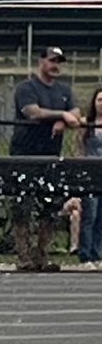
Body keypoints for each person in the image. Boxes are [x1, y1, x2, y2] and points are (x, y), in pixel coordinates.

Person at [10, 46, 81, 272]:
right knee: (23, 206)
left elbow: (77, 112)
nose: (56, 65)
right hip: (24, 155)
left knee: (50, 208)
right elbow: (33, 112)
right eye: (52, 60)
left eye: (59, 61)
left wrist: (65, 119)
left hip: (51, 155)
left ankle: (42, 255)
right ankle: (23, 255)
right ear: (41, 61)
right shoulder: (27, 88)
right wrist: (60, 115)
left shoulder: (64, 90)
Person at [77, 86, 102, 269]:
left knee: (101, 216)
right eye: (100, 100)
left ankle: (97, 253)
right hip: (89, 173)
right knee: (89, 215)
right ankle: (85, 255)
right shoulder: (87, 124)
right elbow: (79, 147)